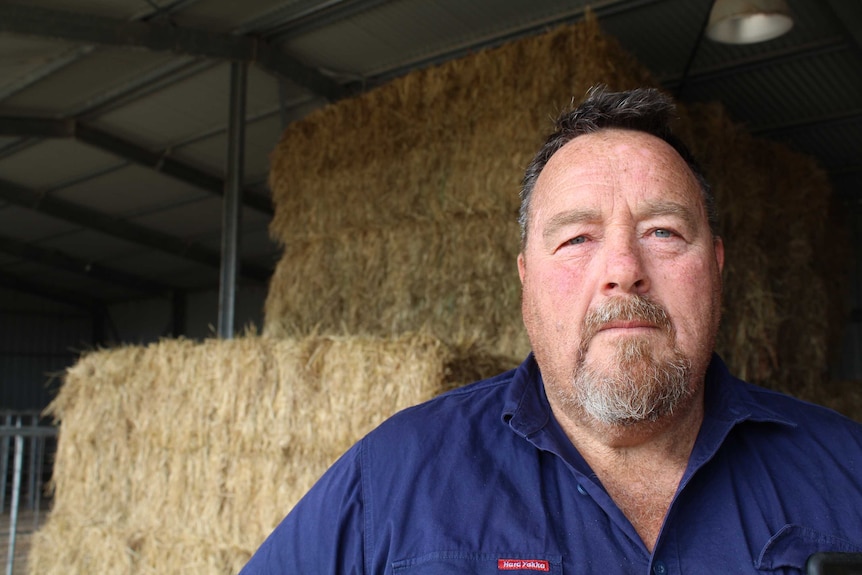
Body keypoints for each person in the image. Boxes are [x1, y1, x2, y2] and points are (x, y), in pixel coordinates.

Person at [240, 87, 862, 574]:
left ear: (717, 269)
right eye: (576, 238)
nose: (623, 270)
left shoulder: (847, 472)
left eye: (663, 233)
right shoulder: (389, 482)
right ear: (525, 281)